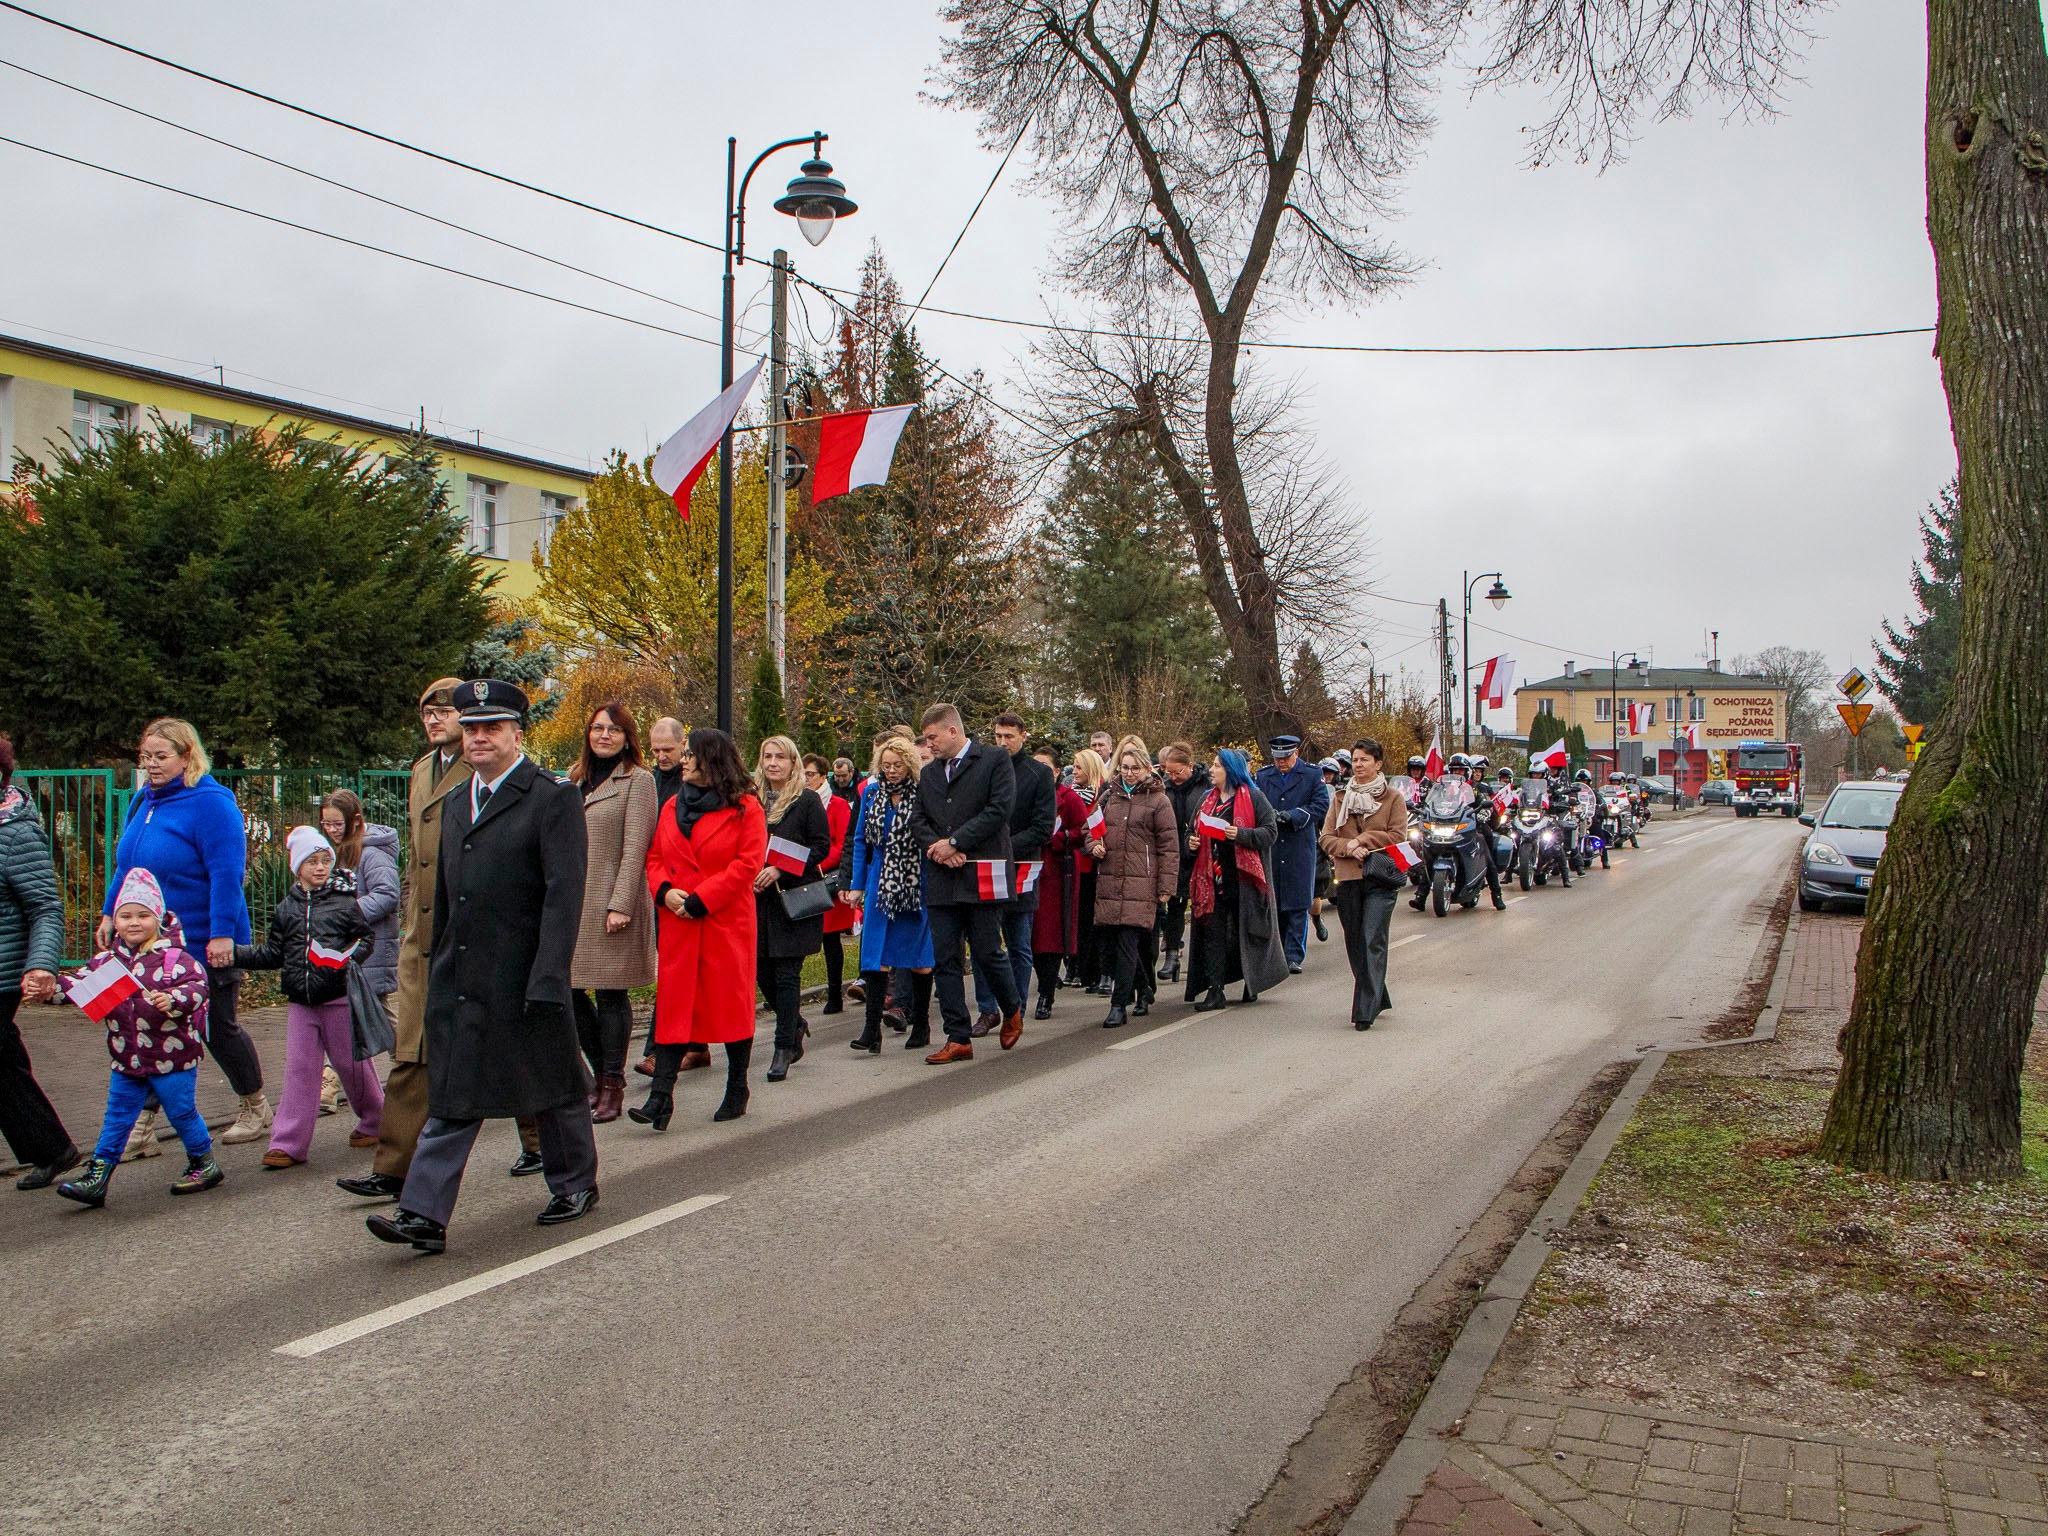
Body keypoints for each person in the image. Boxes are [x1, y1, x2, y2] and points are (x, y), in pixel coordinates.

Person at [366, 680, 597, 1255]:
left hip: (526, 972)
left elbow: (563, 896)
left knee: (553, 1086)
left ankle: (575, 1185)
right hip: (464, 973)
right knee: (453, 1093)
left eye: (492, 728)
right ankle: (422, 1212)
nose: (479, 738)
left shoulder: (551, 797)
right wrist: (438, 958)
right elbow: (447, 892)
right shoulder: (452, 803)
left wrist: (550, 975)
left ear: (518, 733)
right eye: (471, 728)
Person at [339, 679, 542, 1200]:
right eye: (426, 712)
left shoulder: (484, 772)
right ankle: (394, 1167)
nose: (434, 721)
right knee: (414, 1049)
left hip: (475, 928)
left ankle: (543, 1141)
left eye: (445, 712)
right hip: (422, 930)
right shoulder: (420, 771)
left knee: (506, 1039)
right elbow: (417, 854)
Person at [100, 718, 268, 1153]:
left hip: (201, 939)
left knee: (216, 1028)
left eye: (161, 756)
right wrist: (107, 912)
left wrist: (222, 934)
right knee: (153, 1026)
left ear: (187, 757)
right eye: (146, 756)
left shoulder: (212, 803)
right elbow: (126, 865)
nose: (151, 765)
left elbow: (227, 873)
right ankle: (145, 1125)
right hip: (152, 944)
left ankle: (255, 1105)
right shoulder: (144, 801)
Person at [56, 869, 222, 1205]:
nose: (134, 923)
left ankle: (204, 1163)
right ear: (114, 921)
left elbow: (198, 988)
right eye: (126, 915)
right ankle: (97, 1177)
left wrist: (173, 1000)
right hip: (126, 1057)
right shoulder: (107, 962)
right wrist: (50, 987)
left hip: (173, 1058)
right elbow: (78, 987)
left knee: (182, 1113)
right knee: (117, 1116)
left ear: (159, 918)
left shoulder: (175, 959)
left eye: (144, 915)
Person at [633, 727, 766, 1127]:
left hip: (724, 921)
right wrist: (665, 891)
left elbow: (747, 864)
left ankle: (737, 1086)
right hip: (679, 924)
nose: (684, 760)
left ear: (713, 760)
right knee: (676, 1009)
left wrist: (702, 898)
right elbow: (654, 855)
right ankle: (661, 1097)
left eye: (691, 754)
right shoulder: (673, 805)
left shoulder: (746, 808)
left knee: (730, 1007)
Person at [234, 826, 382, 1169]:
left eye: (325, 860)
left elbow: (365, 939)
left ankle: (376, 1120)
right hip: (302, 1003)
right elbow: (274, 953)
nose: (320, 867)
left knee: (353, 1066)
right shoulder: (287, 908)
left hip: (338, 998)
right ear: (297, 866)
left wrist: (346, 962)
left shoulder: (345, 902)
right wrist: (237, 955)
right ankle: (288, 1143)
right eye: (312, 861)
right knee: (300, 1069)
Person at [910, 703, 1023, 1064]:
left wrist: (956, 841)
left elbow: (999, 810)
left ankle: (1011, 1008)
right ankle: (957, 1036)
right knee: (945, 958)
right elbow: (918, 820)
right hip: (943, 875)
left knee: (988, 951)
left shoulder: (992, 760)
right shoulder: (929, 774)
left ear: (953, 731)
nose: (929, 745)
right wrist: (939, 848)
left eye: (932, 737)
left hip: (982, 871)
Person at [567, 701, 657, 1125]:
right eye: (597, 728)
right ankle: (597, 1074)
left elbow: (636, 847)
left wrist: (620, 903)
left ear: (627, 738)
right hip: (574, 902)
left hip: (612, 900)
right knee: (569, 989)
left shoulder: (638, 781)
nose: (604, 735)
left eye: (613, 730)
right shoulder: (574, 780)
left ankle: (612, 1085)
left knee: (610, 992)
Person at [0, 739, 80, 1190]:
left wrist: (42, 964)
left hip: (4, 967)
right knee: (4, 1063)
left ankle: (50, 1148)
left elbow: (46, 907)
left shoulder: (15, 831)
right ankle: (51, 1149)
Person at [845, 734, 936, 1052]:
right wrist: (856, 884)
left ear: (909, 764)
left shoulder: (924, 793)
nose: (892, 770)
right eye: (886, 765)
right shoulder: (871, 793)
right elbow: (860, 841)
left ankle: (921, 1023)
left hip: (915, 883)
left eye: (897, 765)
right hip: (878, 882)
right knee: (875, 955)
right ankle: (871, 1030)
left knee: (918, 958)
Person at [1183, 749, 1288, 1011]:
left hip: (1243, 880)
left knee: (1247, 933)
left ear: (1231, 770)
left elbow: (1269, 832)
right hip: (1211, 881)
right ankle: (1214, 989)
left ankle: (1252, 982)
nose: (1212, 770)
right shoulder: (1207, 799)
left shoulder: (1253, 797)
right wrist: (1192, 843)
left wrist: (1239, 834)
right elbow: (1190, 831)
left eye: (1217, 766)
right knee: (1213, 935)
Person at [971, 713, 1054, 1037]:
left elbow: (1043, 827)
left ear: (1023, 736)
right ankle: (987, 1008)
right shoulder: (984, 769)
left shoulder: (1038, 774)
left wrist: (1003, 845)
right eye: (998, 736)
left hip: (1019, 866)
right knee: (982, 941)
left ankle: (1014, 1007)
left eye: (1009, 736)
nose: (1003, 743)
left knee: (1018, 942)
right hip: (987, 867)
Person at [316, 788, 399, 1118]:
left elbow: (388, 894)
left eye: (337, 823)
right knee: (348, 1012)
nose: (332, 830)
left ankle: (412, 1063)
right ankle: (333, 1079)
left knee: (374, 1010)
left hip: (371, 948)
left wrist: (345, 913)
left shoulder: (370, 854)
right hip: (347, 950)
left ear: (355, 820)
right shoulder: (337, 854)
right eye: (326, 824)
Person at [1086, 736, 1179, 1029]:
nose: (1128, 773)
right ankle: (1145, 988)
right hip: (1110, 881)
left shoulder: (1159, 801)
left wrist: (1166, 887)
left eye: (1134, 768)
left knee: (1128, 942)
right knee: (1113, 945)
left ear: (1147, 770)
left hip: (1142, 883)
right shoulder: (1108, 796)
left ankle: (1118, 1004)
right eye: (1124, 767)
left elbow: (1169, 847)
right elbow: (1090, 828)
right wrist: (1094, 845)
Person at [1321, 739, 1408, 1030]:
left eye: (1365, 760)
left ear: (1378, 764)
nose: (1358, 765)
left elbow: (1397, 835)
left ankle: (1364, 1010)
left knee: (1373, 939)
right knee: (1355, 943)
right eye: (1356, 760)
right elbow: (1326, 838)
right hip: (1348, 878)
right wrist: (1348, 847)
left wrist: (1365, 841)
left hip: (1380, 878)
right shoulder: (1340, 798)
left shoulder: (1393, 798)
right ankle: (1377, 994)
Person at [1252, 735, 1330, 975]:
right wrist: (1270, 815)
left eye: (1286, 758)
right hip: (1273, 845)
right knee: (1275, 900)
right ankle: (1277, 952)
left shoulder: (1312, 774)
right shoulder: (1264, 776)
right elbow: (1255, 802)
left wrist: (1295, 815)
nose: (1282, 763)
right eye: (1277, 758)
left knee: (1298, 902)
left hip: (1298, 845)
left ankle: (1294, 955)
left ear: (1295, 753)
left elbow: (1320, 805)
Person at [1025, 746, 1088, 1020]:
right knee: (1029, 935)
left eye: (1046, 768)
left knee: (1049, 936)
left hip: (1056, 872)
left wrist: (1057, 838)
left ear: (1057, 772)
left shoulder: (1069, 798)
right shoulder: (1023, 794)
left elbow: (1082, 831)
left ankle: (1046, 994)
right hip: (1027, 867)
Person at [803, 753, 856, 1017]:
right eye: (802, 774)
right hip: (802, 876)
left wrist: (817, 864)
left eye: (810, 774)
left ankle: (835, 993)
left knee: (830, 938)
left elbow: (843, 842)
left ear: (824, 776)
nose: (805, 779)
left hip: (827, 878)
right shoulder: (799, 803)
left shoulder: (836, 805)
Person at [1156, 743, 1205, 986]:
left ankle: (1201, 956)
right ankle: (1172, 956)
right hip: (1173, 853)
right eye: (1169, 772)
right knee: (1174, 905)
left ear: (1190, 767)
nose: (1173, 777)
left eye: (1177, 772)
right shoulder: (1164, 788)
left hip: (1199, 853)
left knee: (1201, 907)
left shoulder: (1204, 786)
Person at [1069, 747, 1109, 993]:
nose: (1074, 772)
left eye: (1079, 767)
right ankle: (1080, 968)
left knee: (1092, 919)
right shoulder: (1072, 794)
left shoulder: (1101, 794)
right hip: (1075, 862)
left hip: (1093, 863)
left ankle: (1095, 970)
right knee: (1079, 920)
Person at [1312, 756, 1343, 943]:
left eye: (1330, 773)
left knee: (1315, 895)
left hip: (1327, 840)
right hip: (1310, 842)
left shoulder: (1342, 793)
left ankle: (1316, 918)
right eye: (1323, 773)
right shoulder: (1311, 791)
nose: (1327, 777)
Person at [648, 717, 688, 809]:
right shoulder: (649, 778)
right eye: (656, 751)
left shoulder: (695, 779)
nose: (661, 757)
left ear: (683, 745)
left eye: (667, 750)